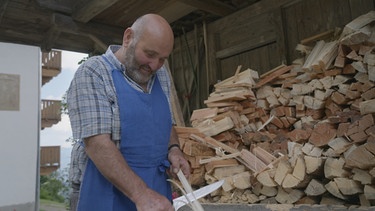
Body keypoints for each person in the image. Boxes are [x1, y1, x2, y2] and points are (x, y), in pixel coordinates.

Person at [67, 13, 190, 211]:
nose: (154, 66)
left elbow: (166, 122)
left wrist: (174, 149)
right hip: (105, 193)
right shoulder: (94, 72)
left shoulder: (161, 73)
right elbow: (97, 144)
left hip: (156, 192)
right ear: (128, 38)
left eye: (162, 59)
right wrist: (142, 195)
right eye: (149, 54)